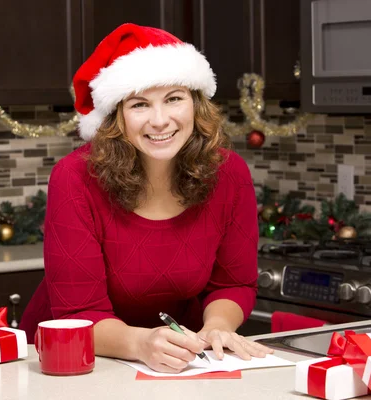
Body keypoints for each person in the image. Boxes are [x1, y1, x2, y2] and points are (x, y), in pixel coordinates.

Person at [19, 23, 272, 373]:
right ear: (115, 118)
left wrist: (217, 327)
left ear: (196, 104)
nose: (160, 120)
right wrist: (139, 343)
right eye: (139, 104)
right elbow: (78, 313)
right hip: (71, 364)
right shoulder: (74, 178)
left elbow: (234, 283)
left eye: (174, 99)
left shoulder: (230, 174)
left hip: (177, 364)